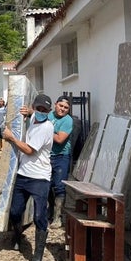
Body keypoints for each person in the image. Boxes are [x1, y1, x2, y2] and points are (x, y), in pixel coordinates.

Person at [2, 93, 54, 261]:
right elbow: (32, 114)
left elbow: (29, 150)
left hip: (40, 178)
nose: (41, 112)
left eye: (45, 110)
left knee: (40, 216)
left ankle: (37, 259)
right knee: (15, 211)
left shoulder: (47, 128)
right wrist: (29, 112)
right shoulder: (34, 117)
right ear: (35, 106)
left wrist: (11, 138)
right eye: (38, 108)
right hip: (23, 174)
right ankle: (17, 235)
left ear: (49, 111)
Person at [47, 95, 73, 229]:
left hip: (61, 156)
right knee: (46, 184)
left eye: (66, 108)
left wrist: (44, 129)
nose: (62, 109)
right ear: (55, 104)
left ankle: (57, 217)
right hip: (46, 156)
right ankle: (50, 211)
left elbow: (59, 139)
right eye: (61, 106)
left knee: (59, 186)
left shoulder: (68, 121)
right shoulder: (48, 115)